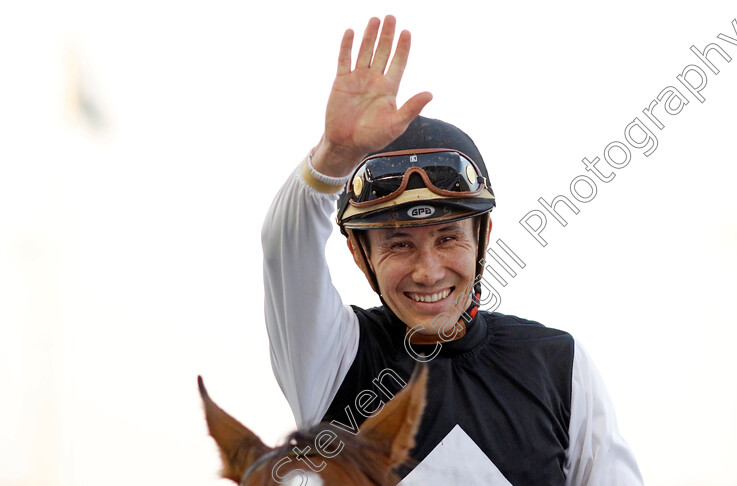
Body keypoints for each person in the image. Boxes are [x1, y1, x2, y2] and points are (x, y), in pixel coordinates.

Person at [262, 15, 644, 485]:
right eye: (399, 244)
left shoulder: (560, 365)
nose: (428, 271)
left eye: (448, 238)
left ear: (483, 236)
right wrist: (333, 159)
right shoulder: (334, 357)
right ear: (360, 256)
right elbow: (283, 246)